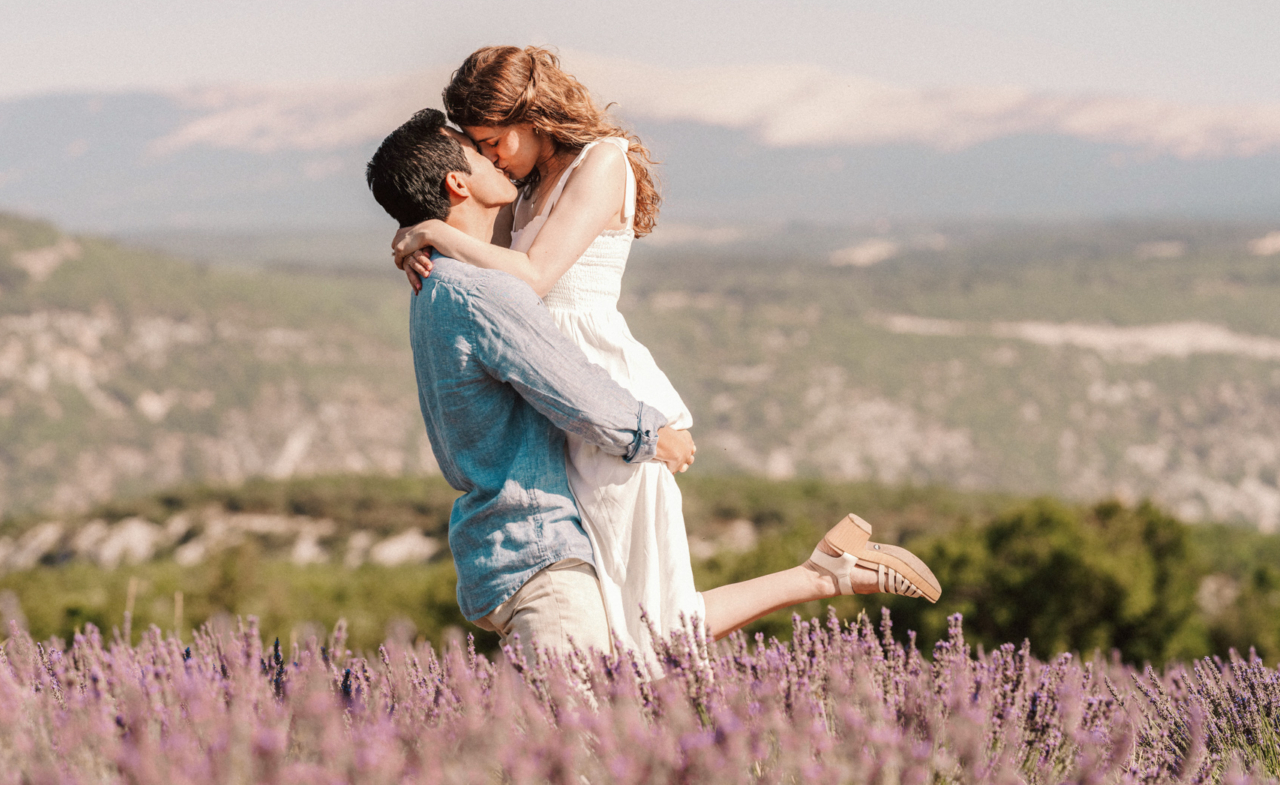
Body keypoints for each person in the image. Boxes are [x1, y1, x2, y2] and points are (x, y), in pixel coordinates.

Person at [368, 108, 940, 659]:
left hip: (509, 549)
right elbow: (570, 386)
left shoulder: (437, 283)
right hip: (538, 553)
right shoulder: (480, 291)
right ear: (457, 183)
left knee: (652, 633)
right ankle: (823, 576)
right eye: (481, 152)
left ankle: (824, 574)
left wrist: (425, 236)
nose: (500, 161)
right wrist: (651, 434)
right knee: (586, 745)